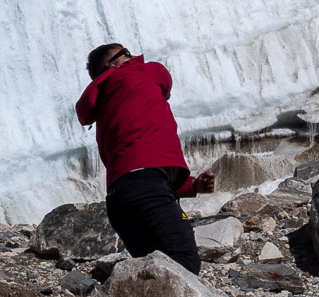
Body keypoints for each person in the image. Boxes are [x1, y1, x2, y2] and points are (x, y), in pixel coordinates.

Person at [76, 42, 215, 273]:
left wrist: (192, 186)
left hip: (121, 202)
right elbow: (164, 80)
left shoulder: (106, 104)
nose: (132, 57)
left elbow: (138, 168)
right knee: (184, 264)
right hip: (147, 190)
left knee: (155, 273)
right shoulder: (142, 72)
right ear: (112, 64)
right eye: (125, 53)